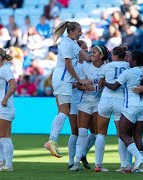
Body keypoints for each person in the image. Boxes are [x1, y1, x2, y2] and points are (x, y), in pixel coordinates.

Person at [43, 21, 91, 158]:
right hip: (63, 80)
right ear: (71, 31)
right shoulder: (65, 43)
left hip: (64, 81)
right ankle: (52, 140)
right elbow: (68, 65)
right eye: (79, 31)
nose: (81, 33)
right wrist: (80, 79)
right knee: (64, 112)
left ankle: (52, 140)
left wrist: (103, 57)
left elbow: (87, 57)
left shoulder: (74, 44)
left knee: (63, 111)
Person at [104, 50, 143, 172]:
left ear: (134, 60)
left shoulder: (128, 72)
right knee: (138, 136)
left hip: (131, 107)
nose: (127, 59)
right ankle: (142, 166)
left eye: (129, 57)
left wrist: (104, 83)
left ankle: (140, 159)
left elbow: (114, 87)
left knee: (123, 134)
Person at [69, 45, 109, 171]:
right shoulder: (85, 67)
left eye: (94, 52)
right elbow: (79, 84)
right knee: (81, 133)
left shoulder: (106, 67)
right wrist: (85, 87)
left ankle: (99, 164)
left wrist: (96, 88)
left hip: (99, 103)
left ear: (101, 56)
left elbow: (108, 85)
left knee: (98, 134)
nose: (91, 53)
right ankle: (76, 163)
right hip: (85, 103)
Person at [95, 46, 129, 172]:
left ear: (114, 56)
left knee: (101, 134)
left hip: (106, 100)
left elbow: (100, 84)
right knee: (121, 135)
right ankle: (124, 165)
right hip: (121, 100)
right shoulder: (127, 66)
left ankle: (98, 165)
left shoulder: (106, 66)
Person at [67, 40, 88, 169]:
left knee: (93, 131)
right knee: (75, 132)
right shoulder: (72, 65)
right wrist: (81, 84)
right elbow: (68, 85)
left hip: (87, 102)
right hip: (74, 102)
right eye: (84, 48)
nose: (86, 50)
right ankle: (71, 161)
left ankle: (82, 154)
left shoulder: (87, 65)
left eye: (87, 48)